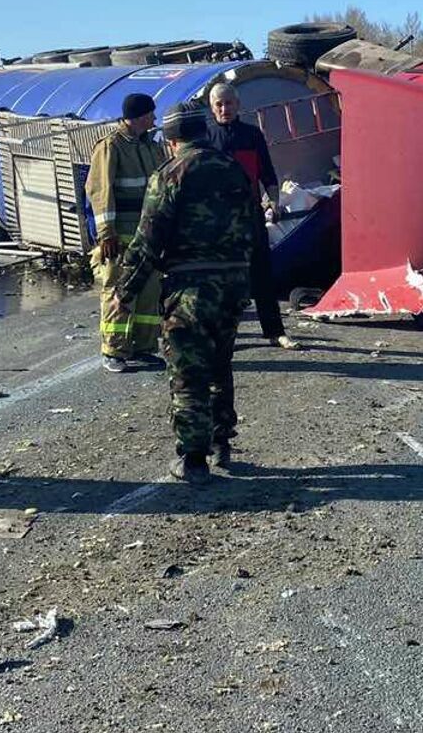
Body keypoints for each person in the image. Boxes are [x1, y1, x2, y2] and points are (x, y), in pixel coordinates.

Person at [114, 102, 259, 484]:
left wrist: (124, 293)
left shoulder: (170, 174)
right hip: (233, 285)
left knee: (188, 371)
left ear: (171, 139)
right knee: (221, 363)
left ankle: (193, 458)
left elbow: (147, 242)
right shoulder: (233, 169)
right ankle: (221, 441)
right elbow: (254, 231)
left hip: (190, 288)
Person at [206, 82, 298, 350]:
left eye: (229, 103)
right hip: (220, 221)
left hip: (251, 215)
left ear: (238, 105)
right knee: (225, 279)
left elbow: (267, 173)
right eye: (219, 104)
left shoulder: (252, 135)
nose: (224, 109)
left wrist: (274, 201)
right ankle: (225, 336)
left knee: (262, 276)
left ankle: (274, 332)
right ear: (212, 108)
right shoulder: (206, 138)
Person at [86, 92, 167, 372]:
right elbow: (100, 190)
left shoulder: (151, 146)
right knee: (119, 290)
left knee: (150, 289)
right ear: (139, 116)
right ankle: (114, 350)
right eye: (151, 115)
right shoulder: (111, 147)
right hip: (121, 235)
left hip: (149, 234)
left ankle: (143, 347)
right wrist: (106, 232)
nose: (154, 120)